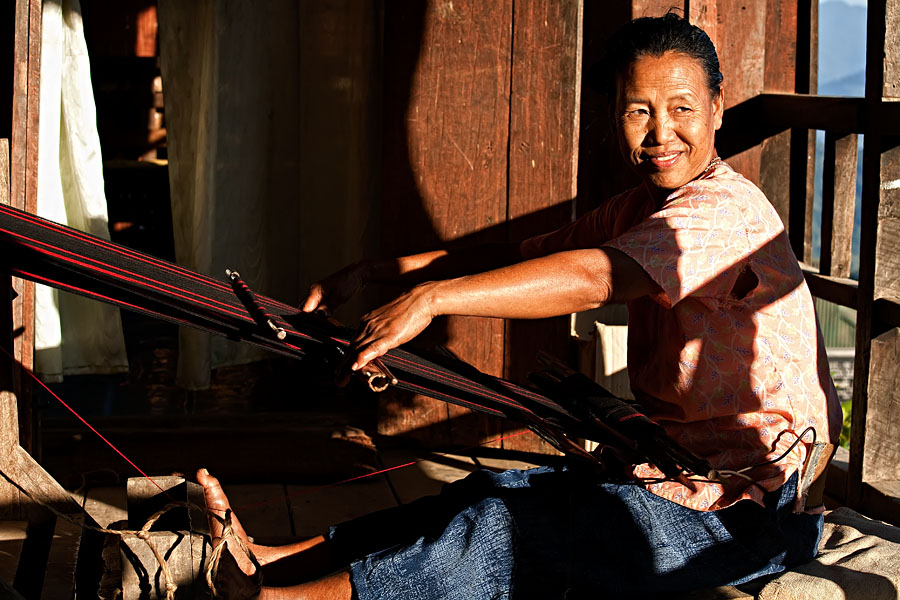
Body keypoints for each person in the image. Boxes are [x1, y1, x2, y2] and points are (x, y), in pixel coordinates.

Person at [198, 13, 842, 599]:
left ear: (717, 110)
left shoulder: (724, 212)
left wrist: (432, 300)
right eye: (637, 111)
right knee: (487, 491)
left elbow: (597, 277)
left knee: (506, 532)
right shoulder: (638, 208)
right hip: (677, 473)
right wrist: (376, 272)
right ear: (613, 115)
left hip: (754, 512)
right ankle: (272, 562)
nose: (660, 132)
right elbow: (522, 256)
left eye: (683, 109)